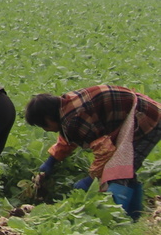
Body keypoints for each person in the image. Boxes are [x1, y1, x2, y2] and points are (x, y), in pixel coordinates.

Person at [23, 86, 159, 220]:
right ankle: (133, 218)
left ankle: (116, 221)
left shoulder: (75, 119)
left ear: (48, 117)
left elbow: (104, 152)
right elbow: (67, 138)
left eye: (43, 125)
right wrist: (52, 160)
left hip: (145, 118)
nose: (45, 130)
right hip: (138, 113)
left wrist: (90, 179)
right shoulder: (66, 107)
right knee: (126, 170)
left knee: (119, 172)